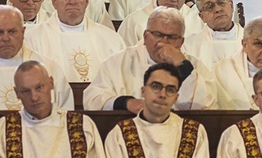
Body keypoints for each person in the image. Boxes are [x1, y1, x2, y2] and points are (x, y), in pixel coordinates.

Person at [104, 63, 211, 158]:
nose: (162, 94)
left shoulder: (194, 132)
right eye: (156, 87)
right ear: (143, 91)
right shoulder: (120, 133)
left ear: (176, 97)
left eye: (170, 89)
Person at [84, 6, 216, 111]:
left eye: (172, 37)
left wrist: (182, 65)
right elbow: (93, 99)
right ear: (145, 36)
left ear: (181, 42)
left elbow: (206, 105)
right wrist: (126, 103)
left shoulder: (194, 66)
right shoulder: (118, 63)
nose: (163, 42)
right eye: (158, 34)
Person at [25, 0, 125, 82]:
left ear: (87, 0)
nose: (72, 2)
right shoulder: (33, 39)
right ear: (54, 1)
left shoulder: (111, 39)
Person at [184, 0, 243, 66]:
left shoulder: (251, 41)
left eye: (221, 2)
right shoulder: (189, 46)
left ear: (231, 5)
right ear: (202, 17)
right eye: (209, 6)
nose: (217, 9)